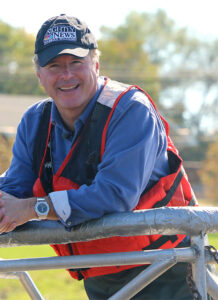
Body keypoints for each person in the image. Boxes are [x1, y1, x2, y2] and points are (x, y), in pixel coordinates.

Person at [0, 14, 198, 299]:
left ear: (96, 64)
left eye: (76, 63)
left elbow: (114, 195)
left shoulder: (130, 110)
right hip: (99, 277)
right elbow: (14, 189)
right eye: (54, 66)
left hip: (169, 270)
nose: (66, 75)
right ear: (39, 75)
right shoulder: (34, 121)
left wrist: (33, 208)